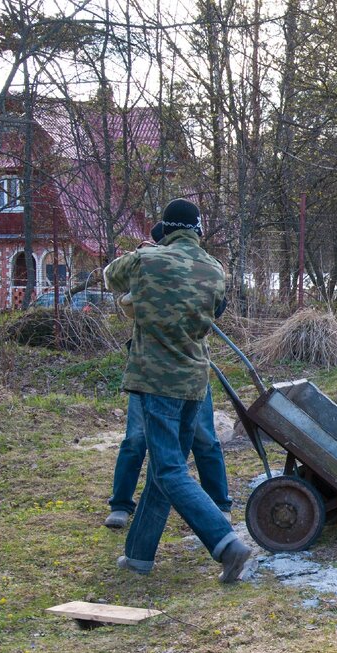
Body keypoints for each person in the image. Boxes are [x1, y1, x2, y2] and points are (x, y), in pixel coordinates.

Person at [104, 199, 252, 583]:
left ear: (165, 230)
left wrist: (146, 254)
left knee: (170, 470)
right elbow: (216, 312)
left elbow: (110, 277)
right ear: (198, 231)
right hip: (194, 382)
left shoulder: (147, 261)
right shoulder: (215, 269)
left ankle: (226, 544)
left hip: (156, 382)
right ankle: (138, 556)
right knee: (161, 470)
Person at [104, 222, 232, 530]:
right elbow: (127, 296)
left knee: (197, 445)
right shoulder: (150, 264)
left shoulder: (203, 267)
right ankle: (122, 505)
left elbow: (216, 309)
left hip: (186, 369)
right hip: (154, 373)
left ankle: (219, 509)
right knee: (137, 440)